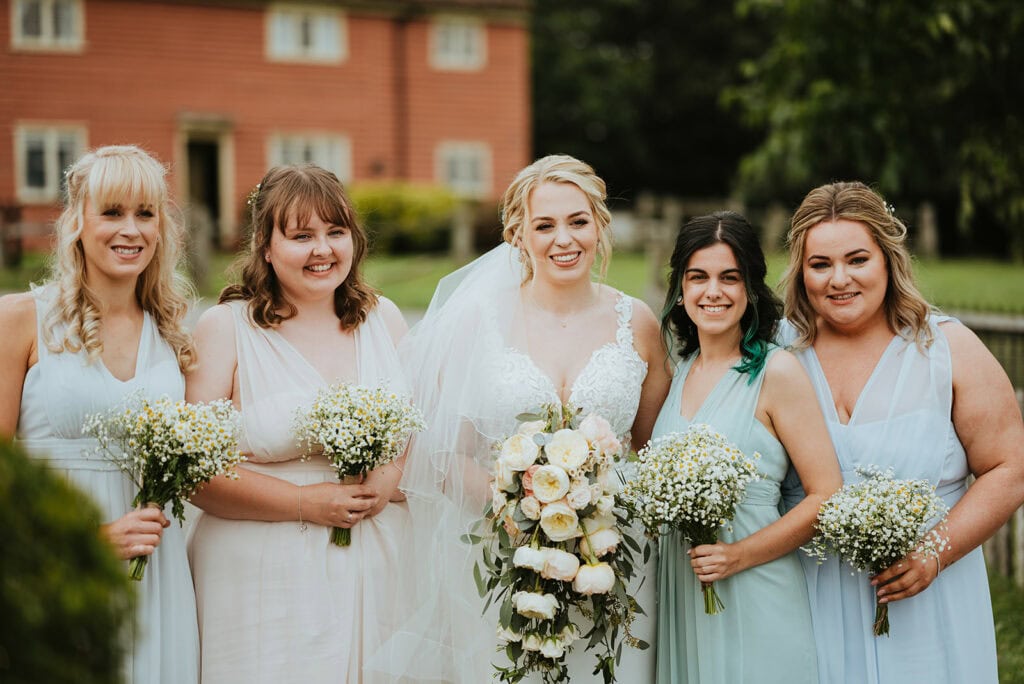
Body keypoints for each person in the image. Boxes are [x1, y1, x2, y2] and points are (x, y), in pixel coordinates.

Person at [367, 154, 672, 682]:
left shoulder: (637, 322)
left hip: (616, 562)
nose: (564, 239)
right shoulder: (477, 322)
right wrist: (520, 512)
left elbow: (651, 447)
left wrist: (594, 517)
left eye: (578, 221)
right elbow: (441, 453)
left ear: (600, 226)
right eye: (545, 225)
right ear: (518, 235)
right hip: (507, 560)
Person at [779, 181, 1024, 683]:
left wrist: (932, 554)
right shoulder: (778, 354)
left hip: (927, 605)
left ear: (889, 259)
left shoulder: (947, 348)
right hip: (807, 599)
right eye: (820, 264)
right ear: (801, 272)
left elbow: (1009, 467)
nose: (838, 279)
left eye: (857, 259)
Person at [185, 164, 410, 684]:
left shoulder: (386, 319)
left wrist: (386, 479)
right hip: (261, 575)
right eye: (301, 235)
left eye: (335, 232)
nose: (323, 249)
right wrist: (308, 504)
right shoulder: (225, 329)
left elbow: (418, 433)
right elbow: (195, 475)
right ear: (265, 246)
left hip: (376, 566)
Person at [0, 144, 200, 683]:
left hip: (156, 574)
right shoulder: (21, 319)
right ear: (76, 223)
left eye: (145, 214)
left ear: (162, 227)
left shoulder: (176, 335)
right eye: (111, 212)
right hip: (51, 570)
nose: (130, 230)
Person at [652, 211, 841, 683]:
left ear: (750, 289)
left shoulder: (775, 372)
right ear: (680, 288)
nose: (712, 292)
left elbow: (827, 493)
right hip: (684, 591)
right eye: (698, 277)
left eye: (729, 278)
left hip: (754, 586)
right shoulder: (681, 372)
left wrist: (738, 556)